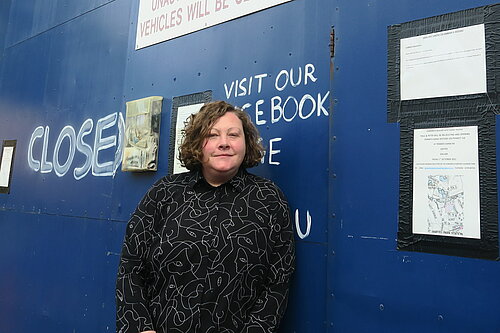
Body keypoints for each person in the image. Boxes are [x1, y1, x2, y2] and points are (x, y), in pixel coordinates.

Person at [116, 101, 295, 333]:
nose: (224, 143)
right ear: (198, 143)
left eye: (233, 135)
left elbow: (278, 281)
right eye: (212, 134)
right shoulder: (164, 193)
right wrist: (140, 328)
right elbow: (131, 268)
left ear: (246, 143)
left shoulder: (269, 199)